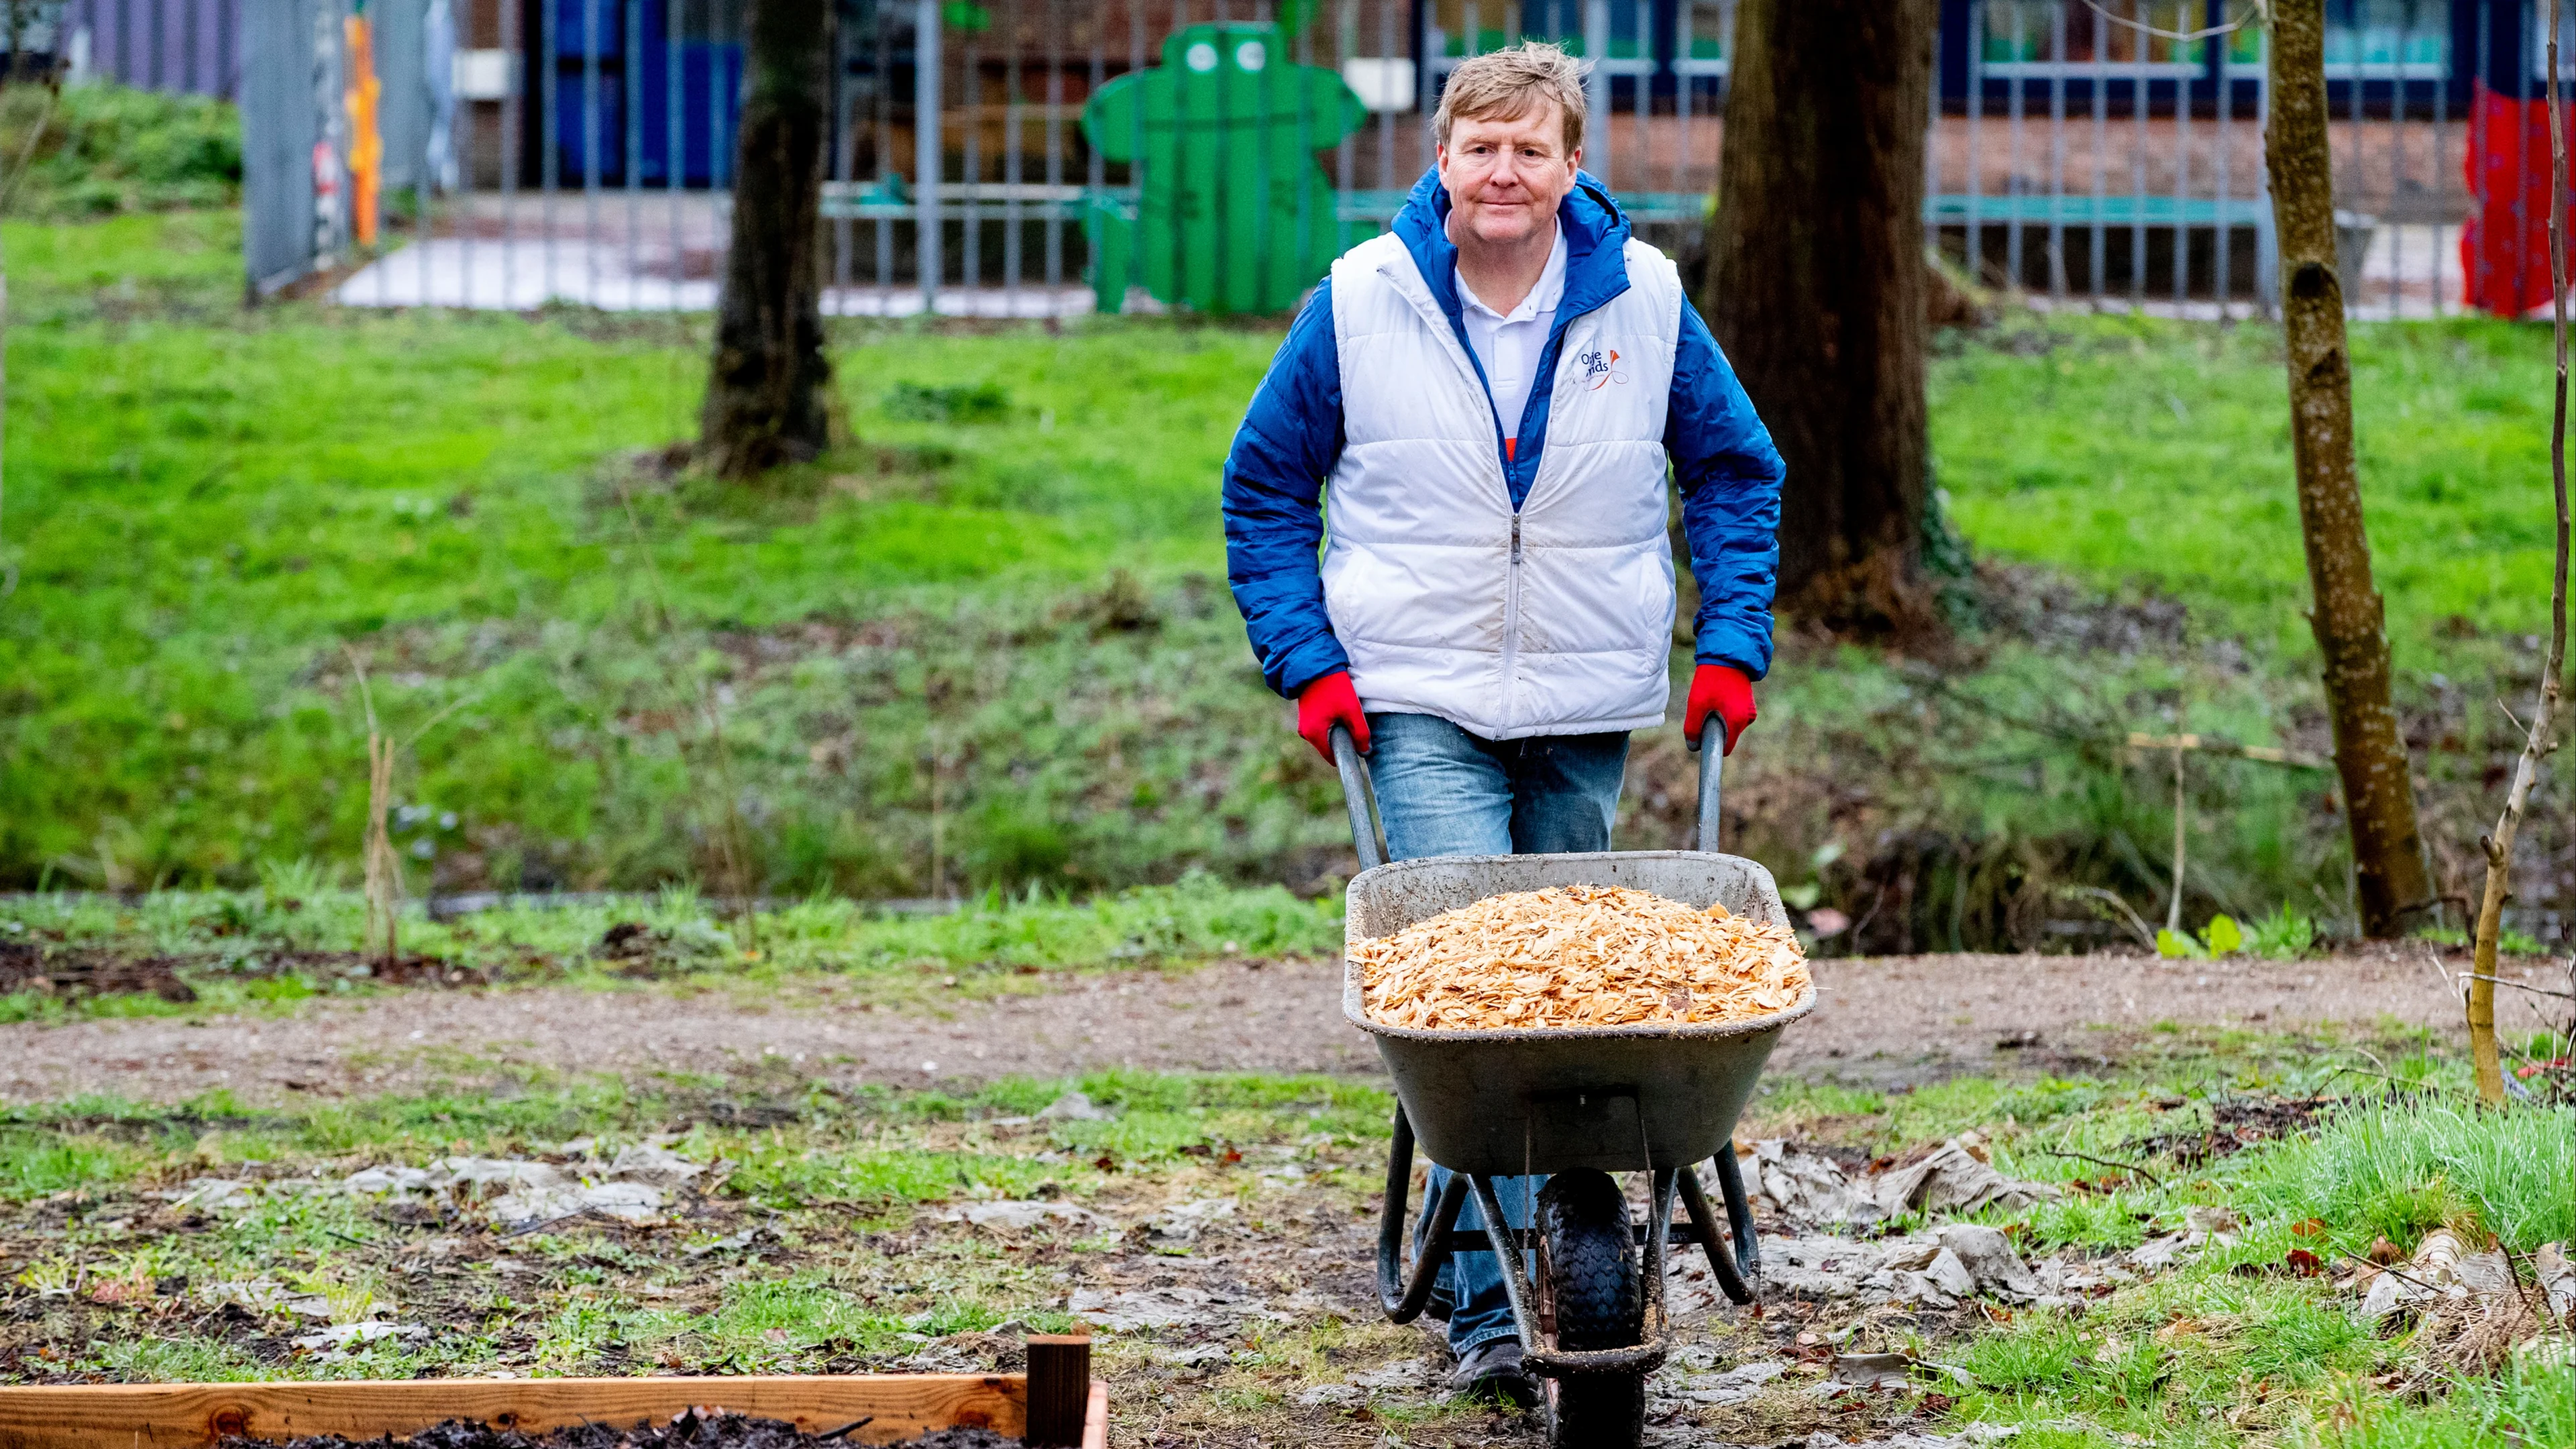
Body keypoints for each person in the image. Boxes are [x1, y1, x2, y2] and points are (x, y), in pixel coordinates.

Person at [1220, 42, 1785, 1405]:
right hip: (1418, 687)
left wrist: (1731, 645)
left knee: (1572, 994)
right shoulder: (1364, 300)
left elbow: (1732, 468)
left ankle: (1568, 1256)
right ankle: (1484, 1306)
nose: (1503, 174)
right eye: (1480, 148)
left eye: (1531, 150)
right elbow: (1263, 486)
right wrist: (1310, 665)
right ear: (1442, 160)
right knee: (1465, 977)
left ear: (1572, 167)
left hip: (1586, 694)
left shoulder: (1642, 299)